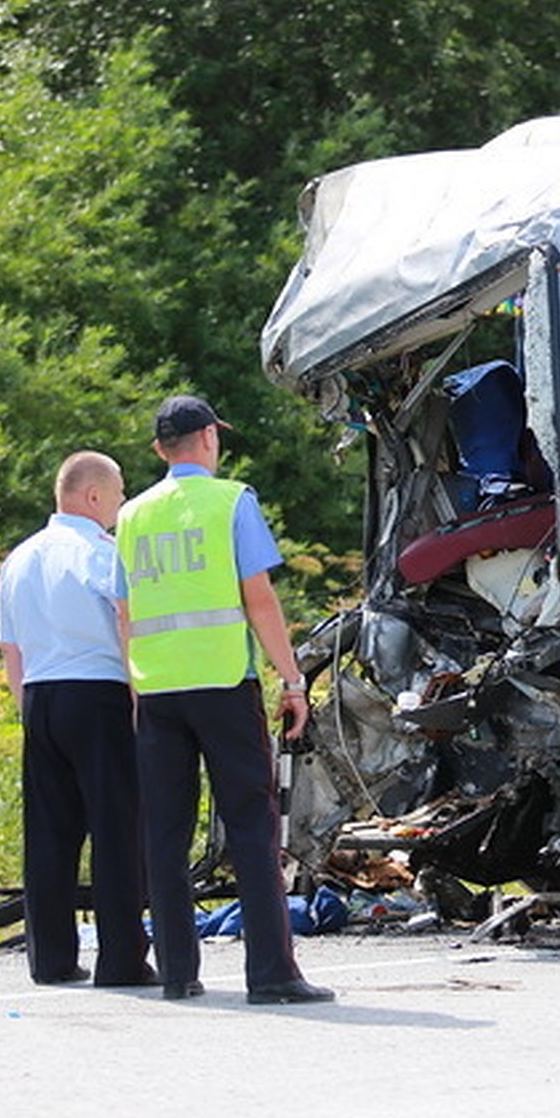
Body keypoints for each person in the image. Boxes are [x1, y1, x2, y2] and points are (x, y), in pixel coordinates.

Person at [115, 395, 334, 1005]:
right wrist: (292, 681)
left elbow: (125, 612)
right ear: (209, 438)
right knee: (249, 826)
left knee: (165, 831)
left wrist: (137, 690)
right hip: (222, 685)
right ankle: (271, 974)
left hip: (158, 690)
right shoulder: (231, 501)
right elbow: (258, 599)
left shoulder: (131, 516)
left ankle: (179, 973)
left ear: (161, 449)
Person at [0, 452, 154, 987]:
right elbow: (125, 623)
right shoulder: (103, 554)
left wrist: (29, 708)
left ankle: (52, 959)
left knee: (49, 834)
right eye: (118, 493)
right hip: (99, 694)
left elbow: (10, 648)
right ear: (93, 497)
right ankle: (122, 960)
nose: (121, 503)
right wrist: (138, 702)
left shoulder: (19, 558)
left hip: (39, 695)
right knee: (116, 830)